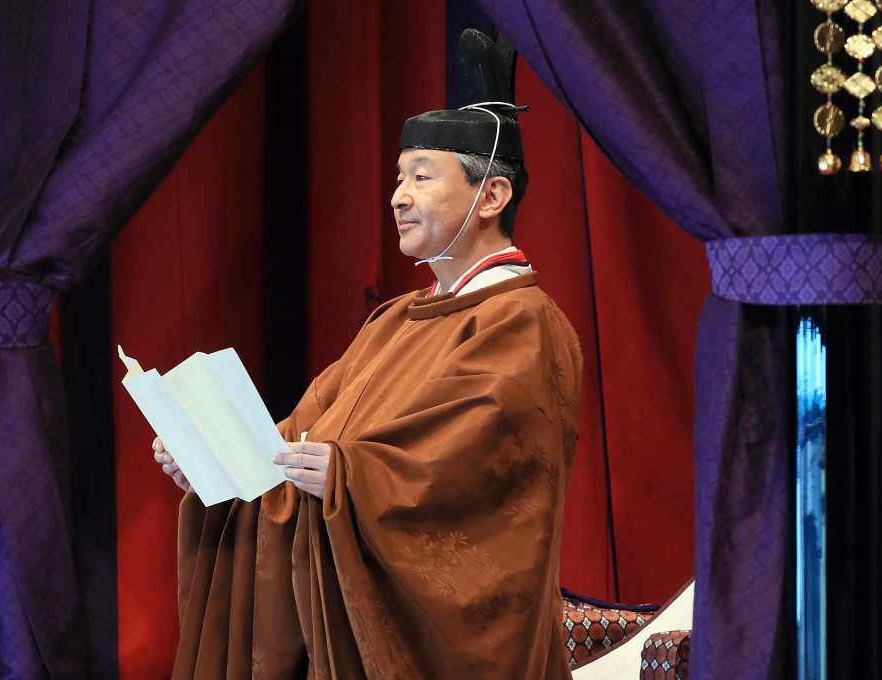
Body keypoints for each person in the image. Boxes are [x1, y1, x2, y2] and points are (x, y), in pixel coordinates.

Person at [153, 30, 581, 679]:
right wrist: (219, 469)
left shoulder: (520, 323)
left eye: (422, 177)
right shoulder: (394, 321)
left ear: (491, 197)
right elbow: (297, 443)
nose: (398, 197)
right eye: (398, 178)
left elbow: (478, 475)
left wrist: (354, 479)